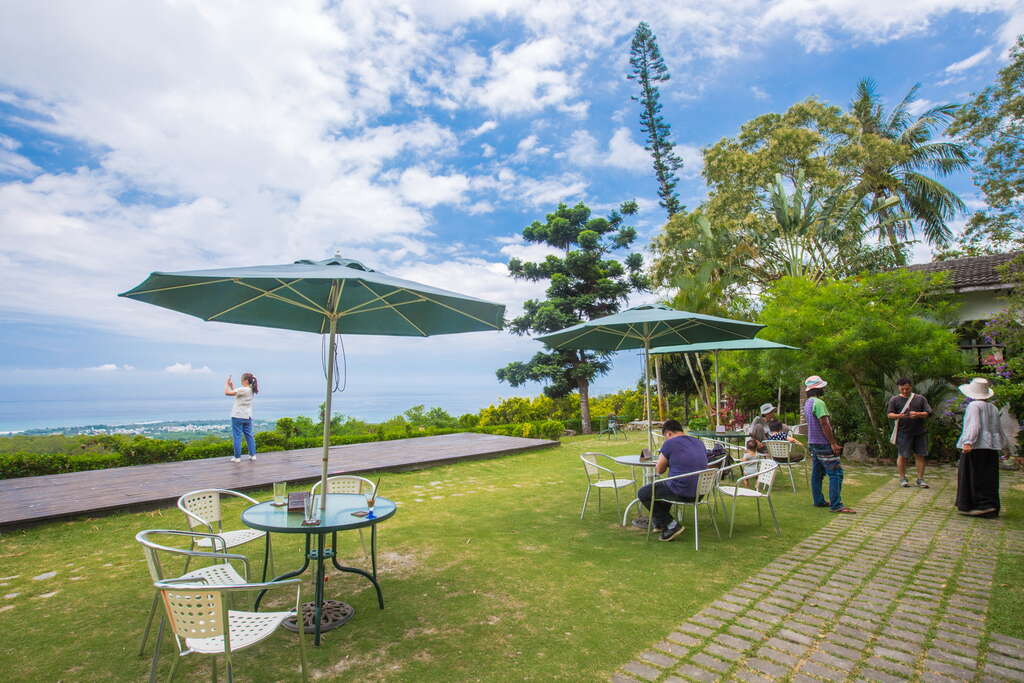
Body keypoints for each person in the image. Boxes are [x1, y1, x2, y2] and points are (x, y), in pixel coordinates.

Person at [637, 419, 708, 541]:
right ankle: (660, 523)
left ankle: (671, 525)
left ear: (669, 433)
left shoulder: (670, 443)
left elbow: (659, 470)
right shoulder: (698, 442)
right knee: (663, 489)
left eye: (665, 437)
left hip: (682, 492)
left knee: (643, 493)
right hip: (700, 491)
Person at [955, 378, 1008, 518]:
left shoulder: (974, 406)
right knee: (988, 476)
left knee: (974, 475)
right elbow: (998, 429)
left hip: (976, 446)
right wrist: (1003, 445)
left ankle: (979, 505)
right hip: (990, 448)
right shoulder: (993, 408)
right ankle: (989, 505)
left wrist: (968, 442)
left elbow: (974, 425)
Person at [804, 375, 855, 514]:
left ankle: (818, 500)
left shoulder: (808, 403)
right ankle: (836, 505)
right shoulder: (819, 403)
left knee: (817, 473)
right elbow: (824, 423)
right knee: (836, 473)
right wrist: (833, 443)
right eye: (822, 387)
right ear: (818, 388)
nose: (824, 388)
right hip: (823, 443)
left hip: (813, 442)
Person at [885, 378, 933, 488]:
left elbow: (928, 412)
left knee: (920, 455)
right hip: (903, 432)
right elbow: (889, 414)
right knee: (902, 455)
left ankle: (920, 479)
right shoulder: (894, 400)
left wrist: (918, 414)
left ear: (911, 387)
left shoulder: (920, 399)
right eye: (902, 389)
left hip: (919, 431)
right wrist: (899, 416)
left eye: (907, 389)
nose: (905, 391)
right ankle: (902, 478)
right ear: (898, 388)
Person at [225, 372, 258, 463]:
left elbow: (227, 393)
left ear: (246, 380)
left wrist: (227, 385)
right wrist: (232, 386)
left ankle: (237, 457)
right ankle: (253, 455)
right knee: (249, 436)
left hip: (237, 416)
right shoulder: (251, 389)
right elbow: (237, 393)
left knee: (237, 437)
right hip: (247, 416)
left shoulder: (243, 389)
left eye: (242, 380)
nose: (241, 381)